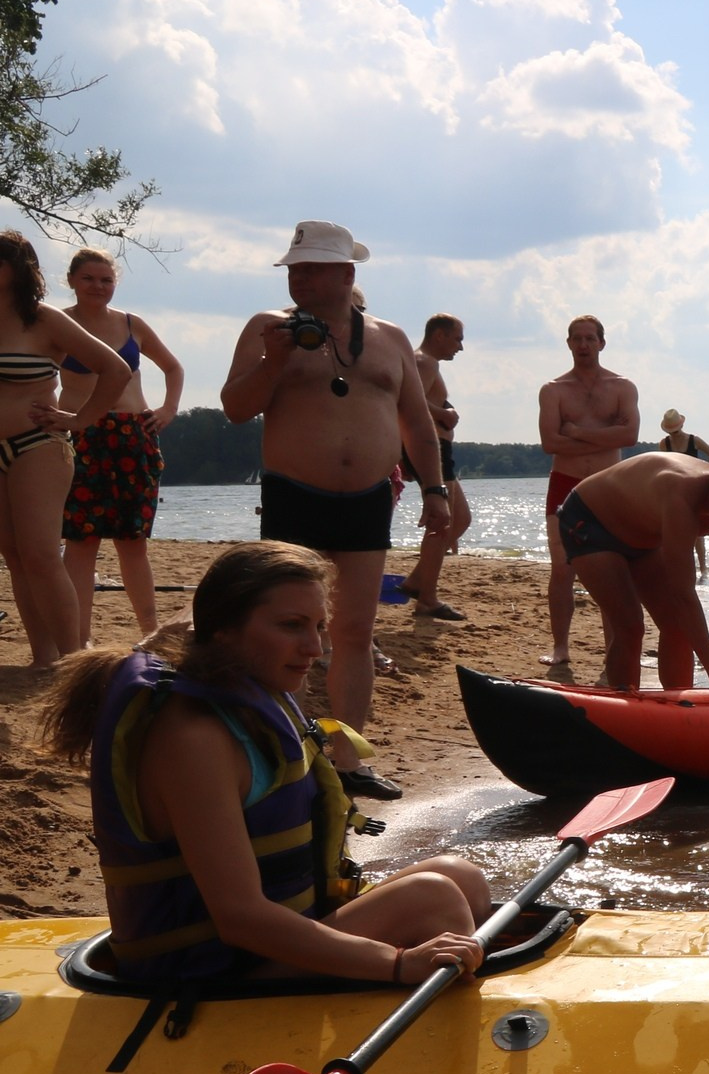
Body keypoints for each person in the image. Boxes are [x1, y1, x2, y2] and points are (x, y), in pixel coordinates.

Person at [31, 542, 490, 988]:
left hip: (268, 941)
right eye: (291, 626)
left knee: (460, 876)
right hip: (208, 972)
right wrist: (398, 963)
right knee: (432, 898)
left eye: (319, 626)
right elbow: (239, 917)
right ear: (223, 630)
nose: (315, 647)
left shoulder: (253, 687)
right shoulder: (193, 738)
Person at [220, 221, 447, 800]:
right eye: (294, 268)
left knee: (354, 632)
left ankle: (348, 762)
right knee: (284, 629)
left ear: (347, 275)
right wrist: (273, 361)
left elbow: (417, 423)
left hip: (368, 499)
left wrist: (436, 490)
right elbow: (236, 408)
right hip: (294, 494)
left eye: (313, 268)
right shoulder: (268, 327)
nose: (299, 278)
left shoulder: (390, 338)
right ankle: (287, 757)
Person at [556, 453, 709, 694]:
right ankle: (625, 702)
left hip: (643, 536)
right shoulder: (681, 498)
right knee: (630, 625)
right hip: (590, 521)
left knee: (678, 627)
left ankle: (679, 702)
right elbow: (683, 593)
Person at [0, 231, 138, 668]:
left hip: (37, 445)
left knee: (41, 554)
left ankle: (72, 659)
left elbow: (115, 369)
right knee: (15, 556)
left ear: (17, 269)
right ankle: (43, 658)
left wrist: (79, 420)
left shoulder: (43, 319)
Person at [58, 247, 184, 645]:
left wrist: (168, 409)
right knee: (81, 542)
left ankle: (151, 634)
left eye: (106, 279)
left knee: (133, 543)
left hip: (133, 436)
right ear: (72, 280)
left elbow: (173, 367)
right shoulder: (57, 324)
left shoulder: (132, 324)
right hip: (81, 436)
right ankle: (79, 641)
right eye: (89, 278)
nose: (98, 286)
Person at [536, 315, 639, 673]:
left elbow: (629, 437)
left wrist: (577, 432)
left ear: (601, 343)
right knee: (562, 568)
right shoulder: (553, 390)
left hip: (610, 485)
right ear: (568, 343)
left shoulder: (622, 386)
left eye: (590, 338)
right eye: (577, 338)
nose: (583, 345)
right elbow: (550, 442)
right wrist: (606, 435)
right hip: (565, 483)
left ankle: (614, 648)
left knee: (613, 571)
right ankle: (560, 647)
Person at [394, 313, 471, 621]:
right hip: (432, 448)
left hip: (437, 449)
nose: (460, 347)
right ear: (439, 335)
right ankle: (427, 598)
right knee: (442, 524)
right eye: (457, 339)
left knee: (461, 519)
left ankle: (417, 581)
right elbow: (407, 401)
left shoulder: (426, 363)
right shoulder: (424, 362)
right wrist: (443, 414)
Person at [656, 409, 709, 579]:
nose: (673, 433)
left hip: (688, 487)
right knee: (685, 530)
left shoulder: (690, 441)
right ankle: (692, 570)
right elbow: (664, 465)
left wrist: (706, 474)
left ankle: (701, 570)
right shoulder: (667, 444)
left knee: (693, 531)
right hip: (680, 488)